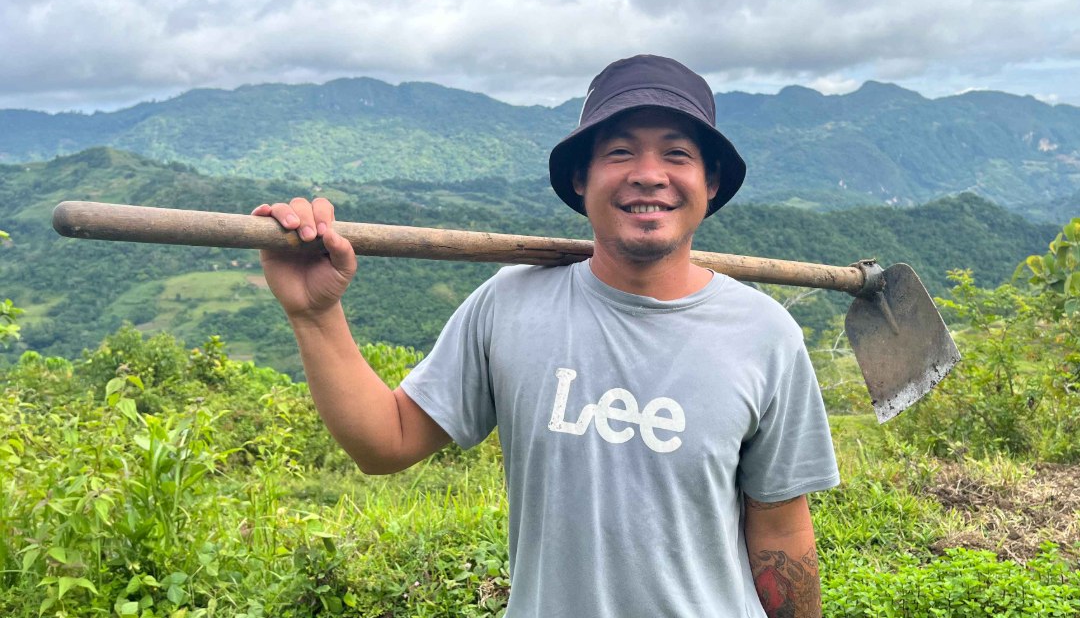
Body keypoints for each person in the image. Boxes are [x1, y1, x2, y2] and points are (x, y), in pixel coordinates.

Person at [252, 55, 840, 617]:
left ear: (710, 182)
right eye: (620, 152)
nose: (648, 174)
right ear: (582, 178)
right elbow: (388, 441)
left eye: (677, 154)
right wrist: (315, 314)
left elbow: (781, 530)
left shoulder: (765, 334)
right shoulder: (509, 304)